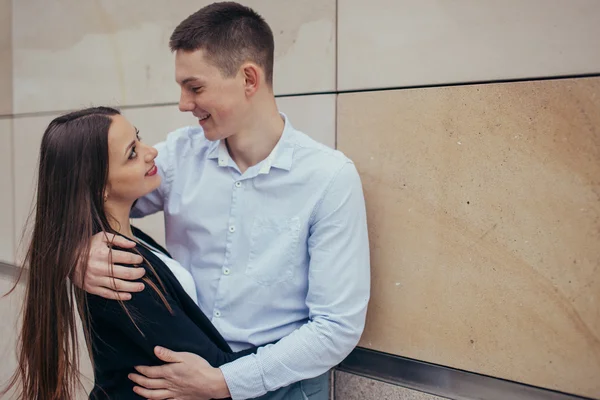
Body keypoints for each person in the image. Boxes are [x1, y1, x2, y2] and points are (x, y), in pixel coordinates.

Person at [78, 2, 371, 399]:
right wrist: (75, 254)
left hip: (285, 389)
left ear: (249, 77)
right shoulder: (180, 155)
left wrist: (225, 381)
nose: (183, 104)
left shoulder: (328, 177)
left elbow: (337, 327)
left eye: (195, 87)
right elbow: (95, 195)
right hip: (185, 383)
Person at [3, 107, 261, 400]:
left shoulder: (126, 241)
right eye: (132, 153)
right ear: (99, 186)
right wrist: (303, 349)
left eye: (138, 140)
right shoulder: (119, 271)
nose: (151, 152)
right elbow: (211, 367)